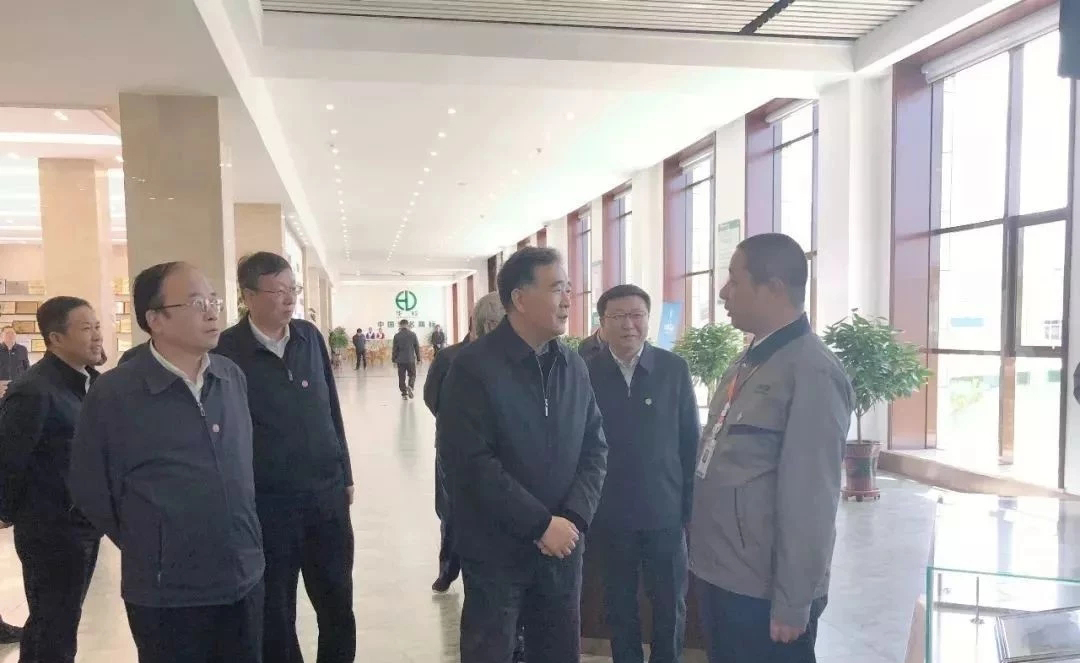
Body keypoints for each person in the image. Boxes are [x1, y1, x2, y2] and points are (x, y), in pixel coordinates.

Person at [69, 262, 264, 663]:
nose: (212, 312)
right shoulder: (115, 393)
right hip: (166, 592)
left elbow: (244, 468)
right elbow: (91, 489)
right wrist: (153, 542)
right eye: (196, 303)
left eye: (213, 300)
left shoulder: (230, 376)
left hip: (242, 575)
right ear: (155, 319)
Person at [690, 234, 854, 663]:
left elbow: (812, 498)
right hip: (723, 574)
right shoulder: (748, 361)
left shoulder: (812, 371)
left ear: (774, 288)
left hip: (763, 593)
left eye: (734, 280)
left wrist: (793, 600)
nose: (723, 292)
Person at [439, 246, 608, 663]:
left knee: (557, 651)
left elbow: (595, 447)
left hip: (563, 547)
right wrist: (539, 524)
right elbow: (471, 464)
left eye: (569, 288)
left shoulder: (573, 365)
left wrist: (572, 519)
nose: (568, 300)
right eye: (557, 288)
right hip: (496, 551)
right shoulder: (473, 368)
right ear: (519, 298)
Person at [216, 252, 355, 663]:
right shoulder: (227, 351)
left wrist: (345, 472)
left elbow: (331, 408)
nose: (289, 298)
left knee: (336, 601)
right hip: (268, 505)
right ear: (248, 296)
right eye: (278, 291)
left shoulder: (309, 337)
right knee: (275, 610)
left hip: (326, 498)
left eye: (293, 289)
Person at [586, 284, 699, 663]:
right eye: (618, 316)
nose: (628, 325)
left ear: (648, 319)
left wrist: (689, 510)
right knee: (618, 605)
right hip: (608, 514)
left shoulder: (673, 369)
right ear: (602, 323)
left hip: (664, 513)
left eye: (636, 315)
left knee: (670, 604)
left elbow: (690, 442)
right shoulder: (585, 373)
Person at [0, 297, 104, 662]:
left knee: (58, 623)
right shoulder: (35, 389)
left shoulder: (88, 383)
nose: (97, 336)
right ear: (56, 338)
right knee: (53, 628)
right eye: (86, 328)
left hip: (84, 525)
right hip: (51, 530)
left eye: (97, 326)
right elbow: (9, 459)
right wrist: (8, 512)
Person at [423, 295, 504, 593]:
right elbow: (432, 397)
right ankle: (448, 568)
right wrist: (457, 426)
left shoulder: (504, 356)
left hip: (495, 452)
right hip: (453, 451)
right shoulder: (450, 357)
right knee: (452, 513)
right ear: (487, 324)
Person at [392, 319, 421, 400]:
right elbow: (417, 347)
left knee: (401, 377)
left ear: (400, 325)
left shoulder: (397, 336)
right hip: (410, 359)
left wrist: (393, 360)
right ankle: (410, 386)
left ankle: (404, 394)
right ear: (407, 325)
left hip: (400, 360)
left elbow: (395, 349)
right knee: (412, 375)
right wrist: (418, 359)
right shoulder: (413, 334)